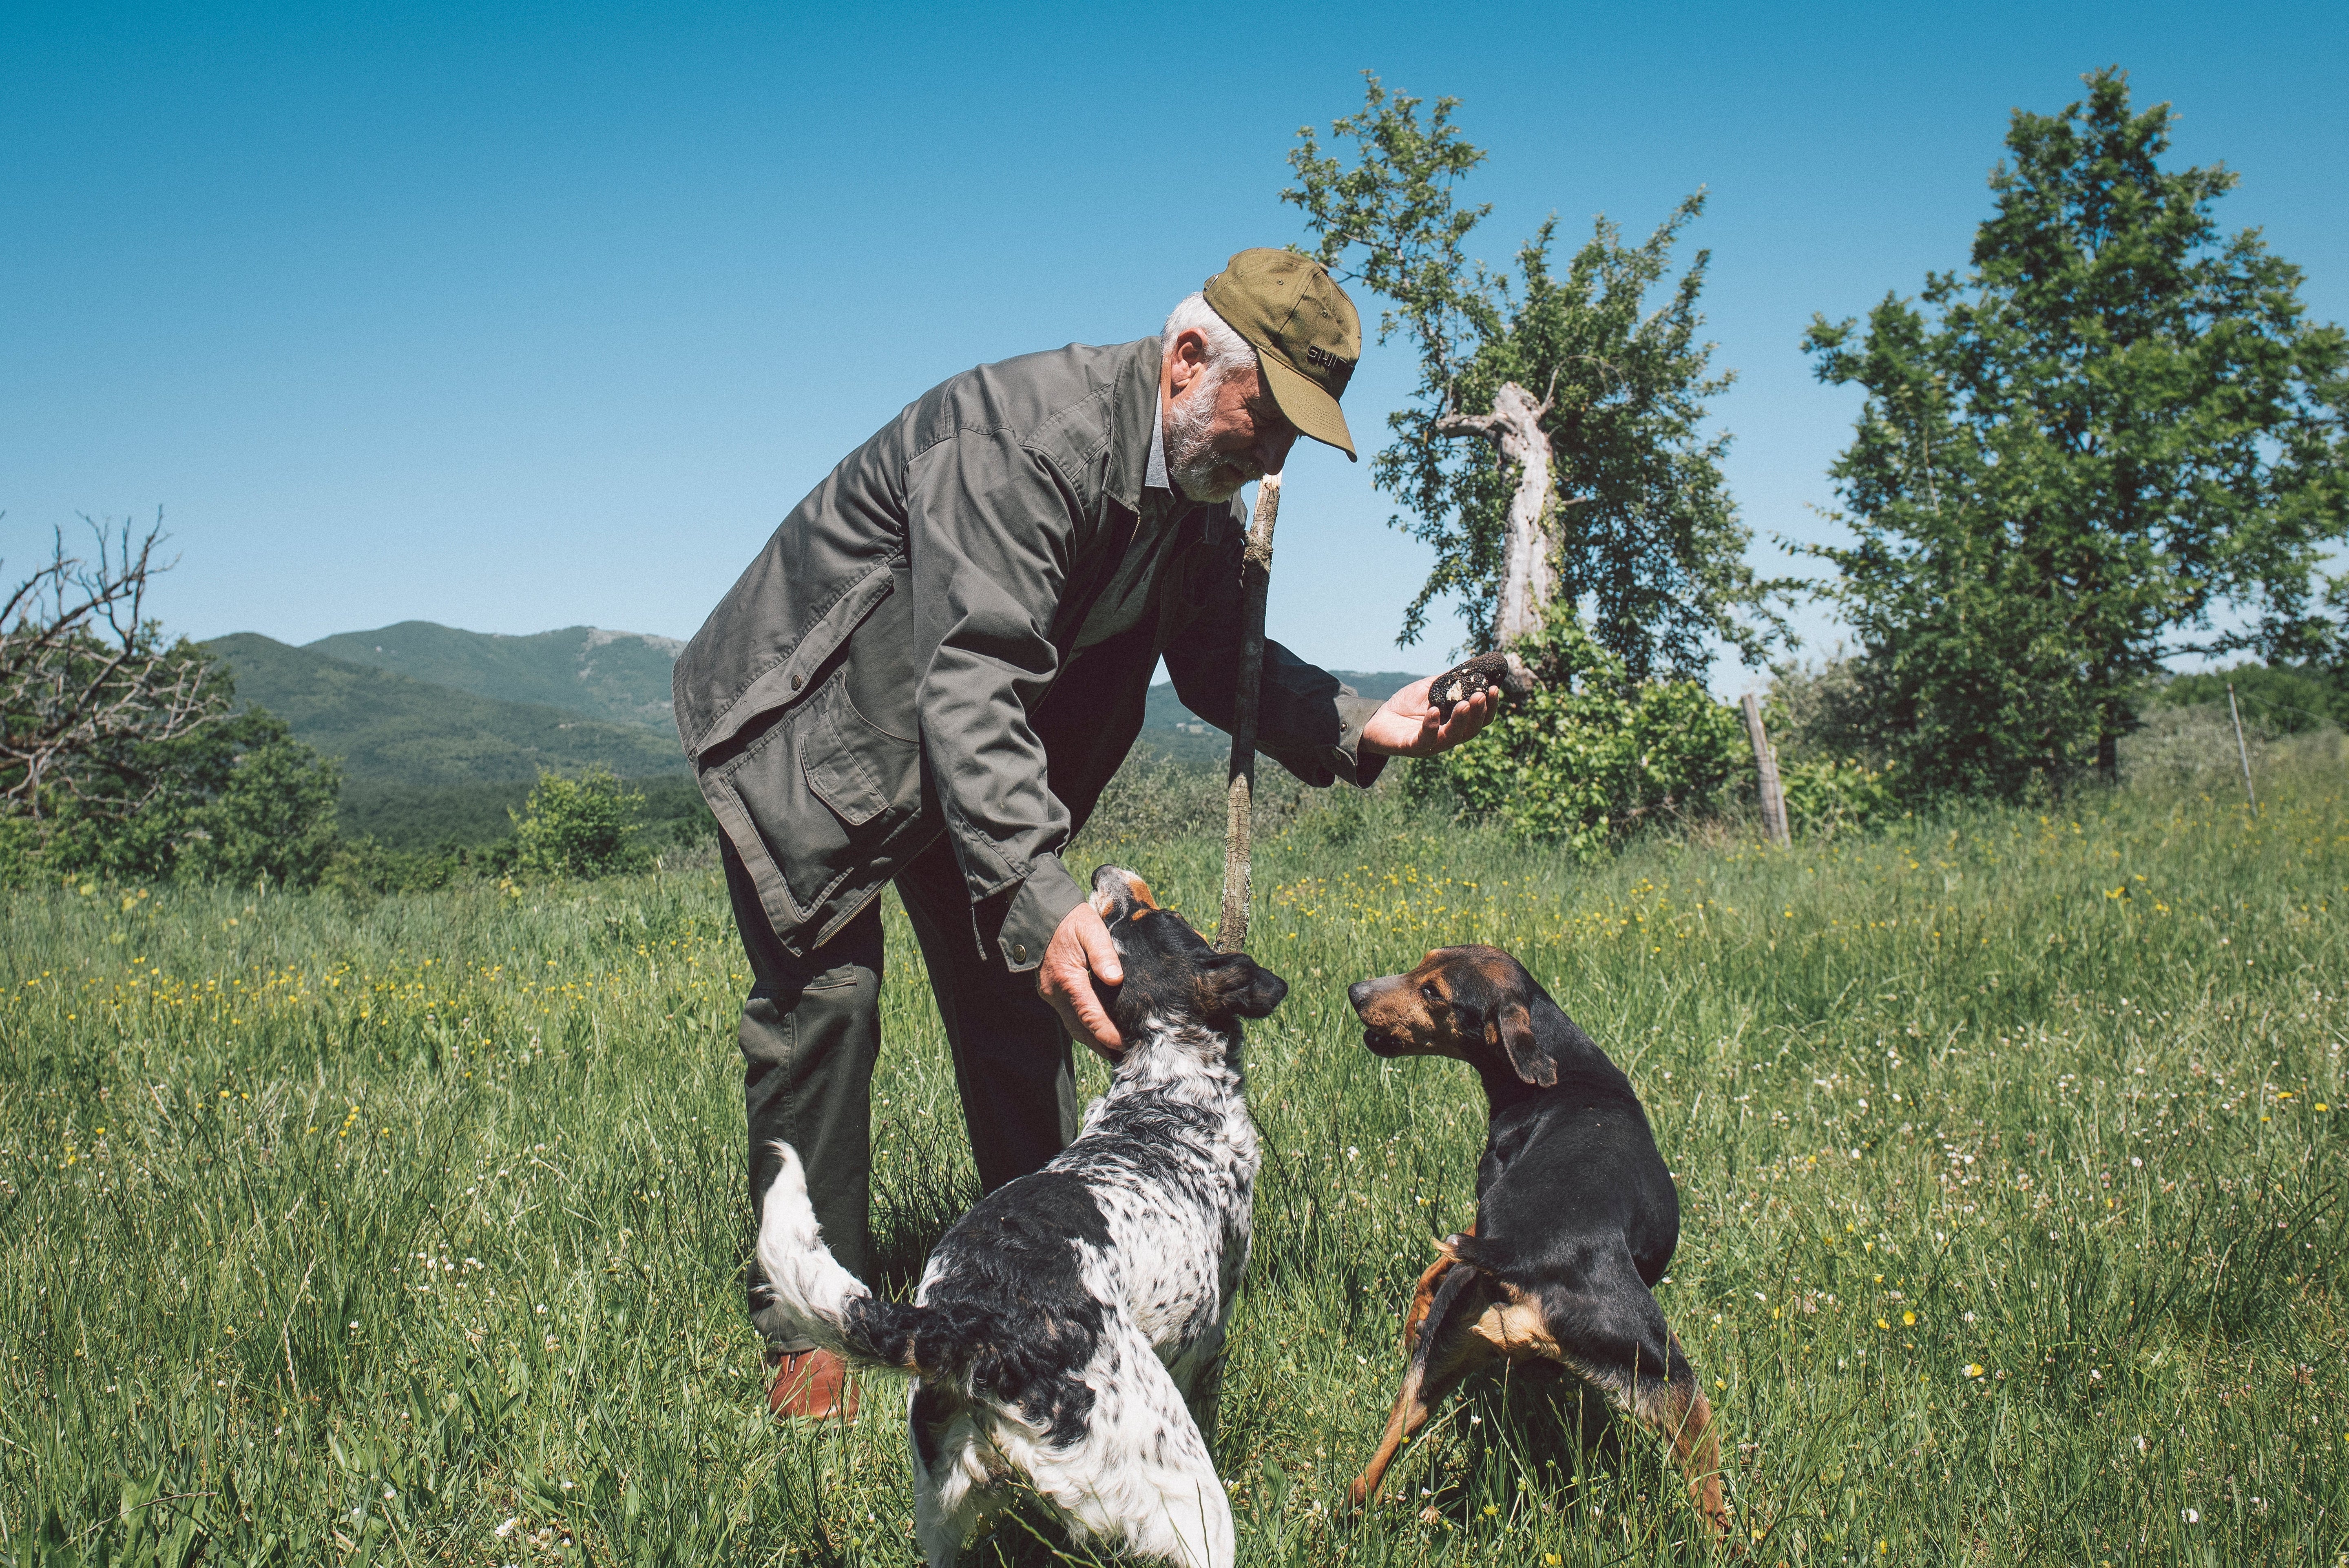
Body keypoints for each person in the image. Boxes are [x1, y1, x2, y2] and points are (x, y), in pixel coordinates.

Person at [672, 250, 1501, 1418]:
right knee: (827, 1013)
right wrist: (1037, 885)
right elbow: (973, 678)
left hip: (957, 756)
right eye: (1268, 421)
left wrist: (1370, 724)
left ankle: (1053, 1281)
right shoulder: (1027, 444)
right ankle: (806, 1331)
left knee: (1029, 994)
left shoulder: (1191, 490)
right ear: (1185, 363)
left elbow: (1218, 656)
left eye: (1294, 443)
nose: (1271, 460)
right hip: (812, 728)